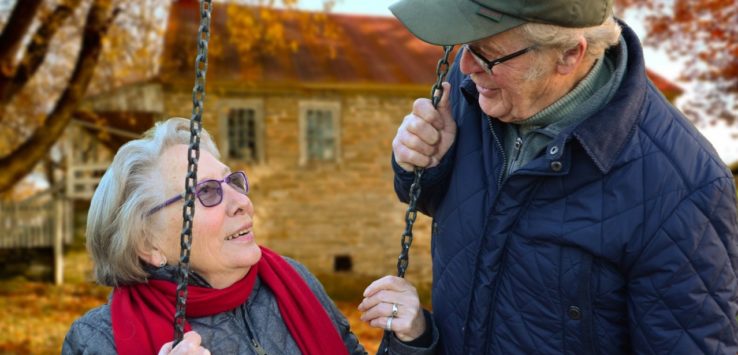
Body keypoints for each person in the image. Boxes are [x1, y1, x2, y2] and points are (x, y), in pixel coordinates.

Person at [388, 0, 738, 353]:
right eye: (465, 45)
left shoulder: (683, 188)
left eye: (486, 53)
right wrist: (423, 165)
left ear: (569, 54)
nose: (465, 66)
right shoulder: (475, 88)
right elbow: (447, 204)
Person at [62, 117, 437, 354]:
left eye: (232, 181)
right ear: (148, 244)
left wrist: (413, 338)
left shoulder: (292, 282)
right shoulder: (98, 340)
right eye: (206, 192)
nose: (241, 201)